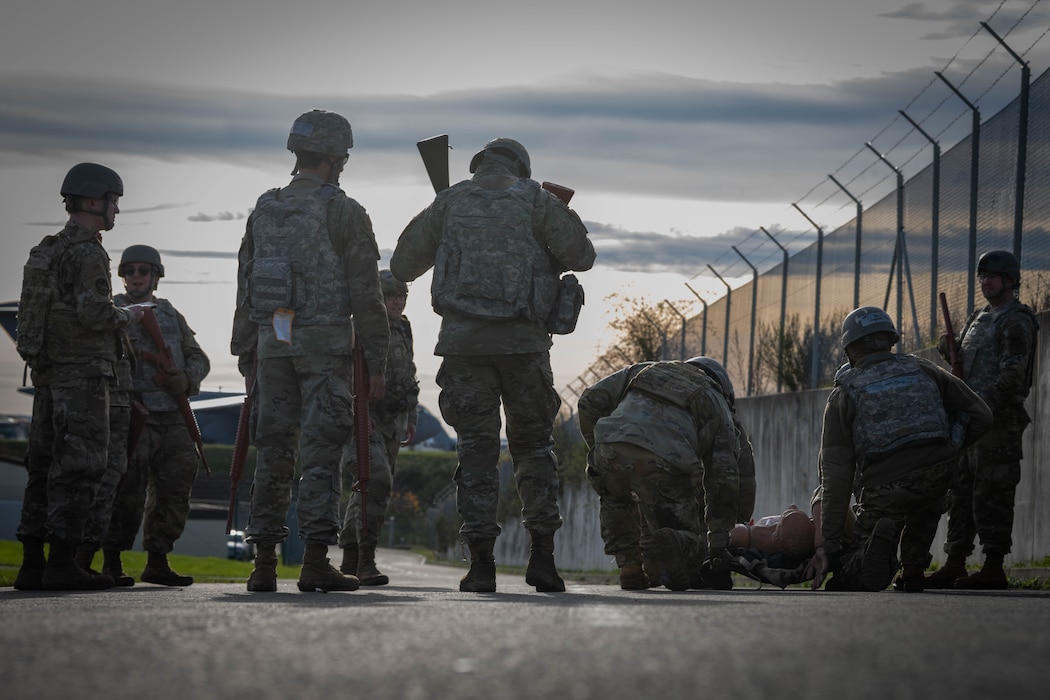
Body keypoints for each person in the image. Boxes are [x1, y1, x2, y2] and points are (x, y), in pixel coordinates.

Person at [391, 137, 595, 593]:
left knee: (476, 452)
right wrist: (562, 212)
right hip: (524, 347)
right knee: (533, 450)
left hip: (464, 349)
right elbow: (581, 257)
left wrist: (442, 222)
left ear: (478, 166)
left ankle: (480, 565)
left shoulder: (448, 202)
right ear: (521, 168)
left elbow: (403, 266)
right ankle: (542, 559)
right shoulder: (538, 201)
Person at [232, 109, 390, 593]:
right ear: (337, 157)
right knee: (321, 454)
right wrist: (377, 362)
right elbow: (367, 294)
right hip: (325, 351)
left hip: (272, 348)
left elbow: (245, 282)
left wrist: (245, 351)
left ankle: (262, 564)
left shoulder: (265, 207)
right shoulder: (344, 210)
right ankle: (316, 560)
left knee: (273, 453)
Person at [13, 162, 144, 591]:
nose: (116, 211)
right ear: (92, 201)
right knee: (82, 467)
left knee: (43, 465)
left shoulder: (48, 247)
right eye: (113, 201)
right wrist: (128, 315)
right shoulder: (88, 251)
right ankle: (63, 562)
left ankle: (32, 562)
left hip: (49, 374)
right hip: (84, 375)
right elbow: (93, 313)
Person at [814, 306, 992, 592]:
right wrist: (951, 447)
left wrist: (831, 546)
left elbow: (836, 475)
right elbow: (982, 415)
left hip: (885, 485)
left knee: (845, 577)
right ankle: (913, 568)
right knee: (926, 503)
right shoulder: (923, 368)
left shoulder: (844, 391)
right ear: (890, 340)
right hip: (937, 472)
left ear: (850, 349)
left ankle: (870, 558)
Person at [926, 250, 1039, 590]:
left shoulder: (1015, 320)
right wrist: (949, 347)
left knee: (992, 492)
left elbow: (1012, 377)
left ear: (1010, 281)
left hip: (998, 421)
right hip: (970, 422)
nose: (986, 281)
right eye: (982, 276)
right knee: (960, 492)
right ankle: (955, 562)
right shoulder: (980, 317)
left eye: (992, 276)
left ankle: (993, 565)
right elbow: (966, 358)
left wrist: (977, 404)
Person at [577, 357, 740, 591]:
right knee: (688, 541)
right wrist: (718, 540)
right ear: (722, 386)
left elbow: (589, 400)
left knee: (615, 499)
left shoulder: (646, 369)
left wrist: (600, 447)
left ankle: (630, 570)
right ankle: (675, 540)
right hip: (665, 461)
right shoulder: (715, 399)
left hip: (610, 446)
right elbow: (724, 478)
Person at [100, 245, 211, 586]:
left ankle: (158, 561)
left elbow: (198, 358)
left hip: (173, 416)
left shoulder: (169, 314)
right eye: (130, 270)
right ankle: (112, 561)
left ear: (156, 277)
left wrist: (187, 378)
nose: (136, 276)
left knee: (175, 490)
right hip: (133, 413)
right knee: (126, 490)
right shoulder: (113, 311)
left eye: (143, 271)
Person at [338, 270, 419, 586]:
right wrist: (358, 410)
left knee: (365, 491)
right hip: (362, 417)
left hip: (392, 421)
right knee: (375, 481)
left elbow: (408, 372)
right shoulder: (359, 328)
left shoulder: (403, 329)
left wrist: (411, 418)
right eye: (390, 296)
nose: (396, 301)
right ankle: (366, 559)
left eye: (400, 296)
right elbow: (344, 371)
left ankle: (349, 558)